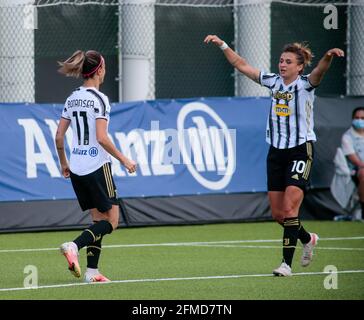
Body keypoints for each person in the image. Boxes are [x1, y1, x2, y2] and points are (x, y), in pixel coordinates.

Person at [204, 35, 344, 276]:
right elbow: (241, 64)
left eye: (289, 62)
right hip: (276, 152)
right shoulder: (272, 81)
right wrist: (222, 45)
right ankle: (307, 238)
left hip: (301, 149)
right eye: (281, 60)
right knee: (279, 215)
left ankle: (286, 264)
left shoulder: (305, 84)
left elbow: (319, 72)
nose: (283, 64)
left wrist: (328, 57)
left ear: (299, 66)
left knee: (291, 209)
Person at [55, 50, 137, 283]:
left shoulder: (72, 97)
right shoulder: (100, 99)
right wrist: (125, 159)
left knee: (97, 221)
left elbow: (59, 136)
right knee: (111, 222)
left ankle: (92, 272)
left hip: (77, 169)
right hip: (97, 166)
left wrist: (64, 163)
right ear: (99, 70)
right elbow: (102, 138)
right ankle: (74, 245)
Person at [335, 106, 364, 221]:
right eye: (357, 118)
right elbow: (356, 161)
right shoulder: (347, 137)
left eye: (362, 118)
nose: (360, 120)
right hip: (355, 172)